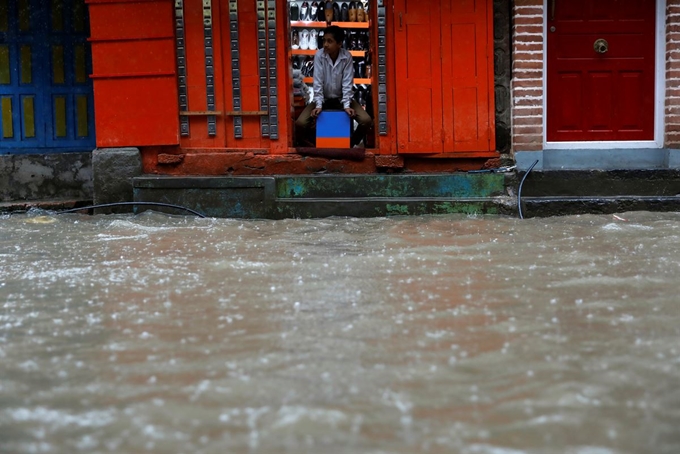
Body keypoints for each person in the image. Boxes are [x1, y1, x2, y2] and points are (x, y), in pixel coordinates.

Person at [295, 25, 372, 147]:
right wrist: (319, 105)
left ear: (340, 43)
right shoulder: (319, 55)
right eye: (324, 40)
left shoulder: (346, 57)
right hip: (323, 99)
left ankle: (351, 143)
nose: (325, 44)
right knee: (300, 123)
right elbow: (318, 82)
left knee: (366, 121)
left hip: (341, 99)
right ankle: (313, 143)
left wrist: (346, 105)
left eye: (329, 41)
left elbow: (347, 83)